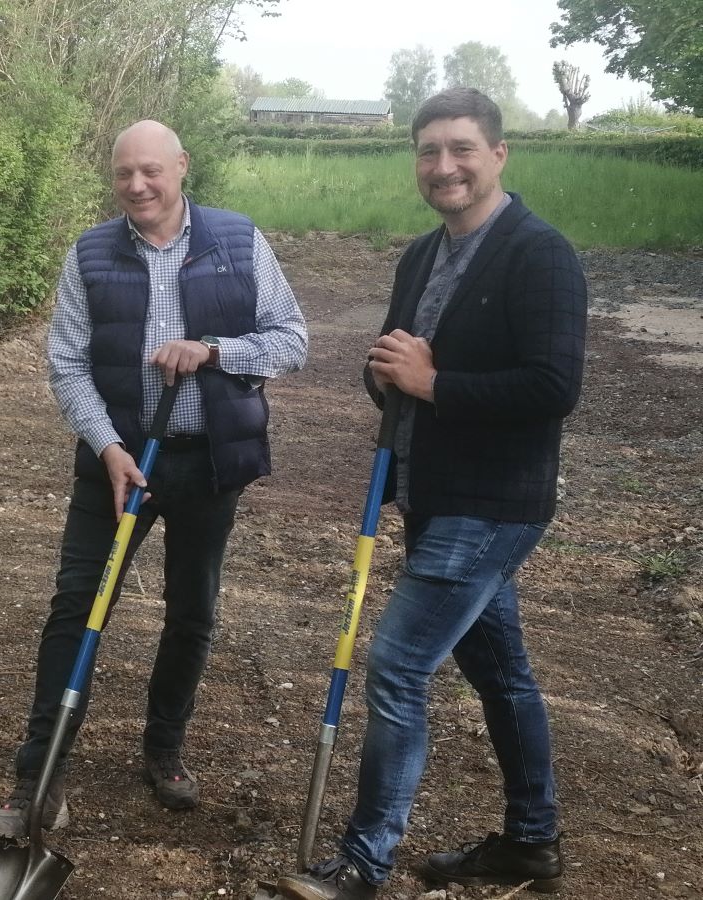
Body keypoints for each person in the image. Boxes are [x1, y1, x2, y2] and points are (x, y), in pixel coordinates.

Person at [275, 88, 587, 900]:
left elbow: (553, 387)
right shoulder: (421, 255)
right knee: (500, 672)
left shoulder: (538, 253)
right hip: (432, 493)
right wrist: (389, 378)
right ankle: (531, 841)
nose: (442, 165)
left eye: (460, 149)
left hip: (492, 502)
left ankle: (364, 863)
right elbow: (394, 365)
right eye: (427, 151)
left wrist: (434, 383)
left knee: (399, 666)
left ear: (498, 155)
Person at [0, 119, 308, 839]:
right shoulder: (91, 254)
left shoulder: (238, 240)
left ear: (182, 167)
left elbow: (292, 340)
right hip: (117, 464)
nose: (137, 185)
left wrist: (216, 350)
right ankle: (39, 774)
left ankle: (164, 749)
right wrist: (106, 447)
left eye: (152, 171)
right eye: (125, 172)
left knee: (192, 611)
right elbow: (66, 364)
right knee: (77, 608)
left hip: (207, 461)